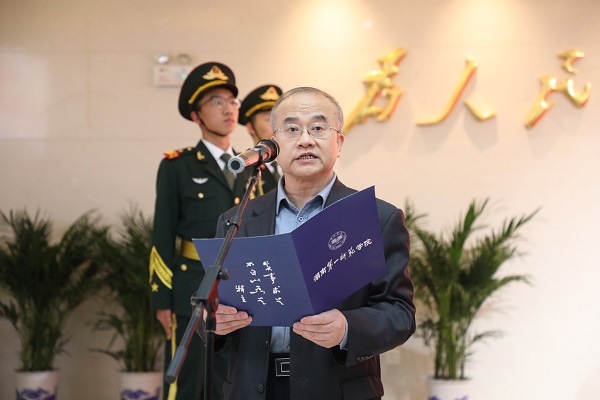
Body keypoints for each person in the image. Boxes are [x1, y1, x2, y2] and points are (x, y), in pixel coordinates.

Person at [204, 87, 416, 399]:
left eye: (318, 128)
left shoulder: (374, 218)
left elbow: (400, 313)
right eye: (291, 129)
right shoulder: (236, 220)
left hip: (335, 389)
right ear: (274, 145)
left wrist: (347, 327)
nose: (305, 140)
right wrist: (213, 321)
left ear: (338, 143)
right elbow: (206, 309)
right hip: (252, 389)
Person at [149, 61, 252, 400]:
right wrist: (162, 300)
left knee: (235, 382)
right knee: (189, 384)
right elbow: (162, 236)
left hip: (242, 292)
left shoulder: (253, 169)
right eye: (217, 102)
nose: (229, 109)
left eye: (232, 101)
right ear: (196, 115)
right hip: (192, 290)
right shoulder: (177, 166)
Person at [238, 84, 284, 194]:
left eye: (280, 118)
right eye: (269, 119)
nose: (277, 126)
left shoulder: (295, 165)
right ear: (251, 127)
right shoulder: (244, 170)